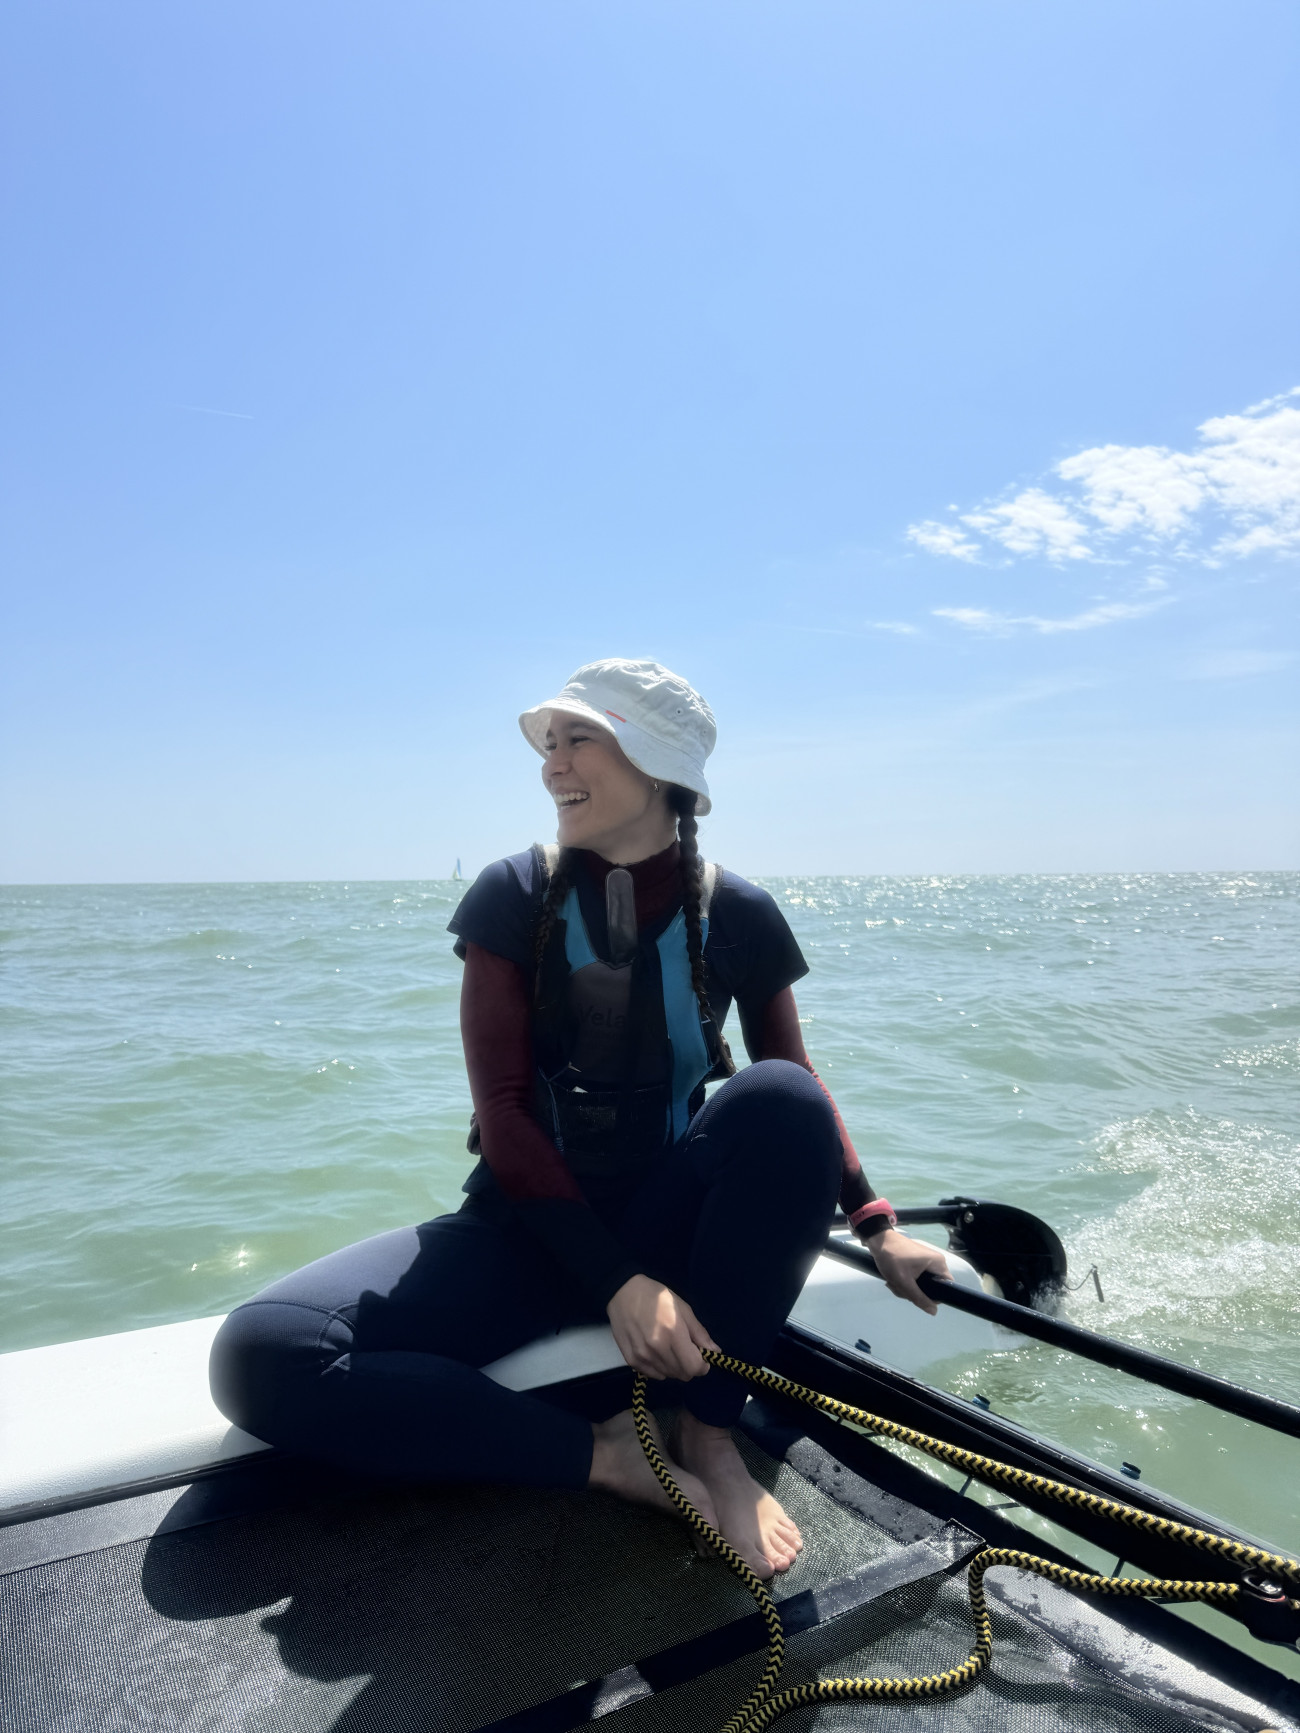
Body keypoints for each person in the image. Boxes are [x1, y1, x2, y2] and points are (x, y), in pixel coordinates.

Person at [210, 659, 950, 1579]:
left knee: (783, 1099)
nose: (553, 765)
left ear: (658, 764)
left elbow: (793, 1085)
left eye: (578, 740)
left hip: (672, 1222)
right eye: (547, 744)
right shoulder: (512, 895)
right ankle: (609, 1456)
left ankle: (709, 1435)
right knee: (262, 1355)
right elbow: (507, 1113)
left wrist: (880, 1229)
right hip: (528, 1230)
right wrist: (616, 1282)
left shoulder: (742, 913)